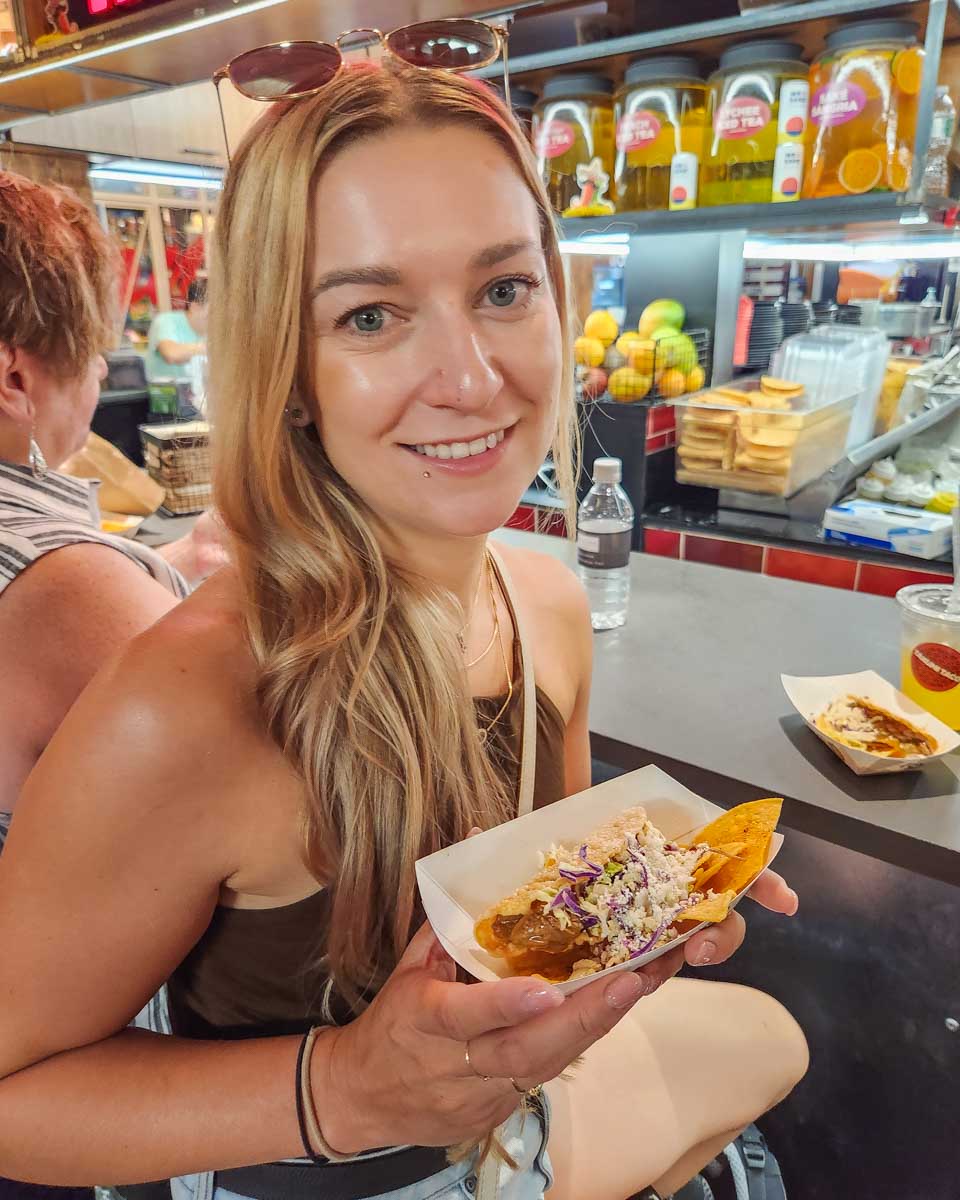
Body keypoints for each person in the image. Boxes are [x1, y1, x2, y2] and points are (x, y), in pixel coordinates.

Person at [0, 55, 807, 1200]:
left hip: (513, 1128)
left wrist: (639, 908)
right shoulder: (187, 705)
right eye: (371, 316)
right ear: (288, 366)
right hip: (313, 1171)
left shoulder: (547, 608)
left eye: (504, 290)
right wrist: (346, 1090)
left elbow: (527, 920)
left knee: (777, 1035)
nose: (470, 379)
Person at [0, 170, 227, 844]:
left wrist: (173, 562)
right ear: (14, 378)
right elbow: (252, 762)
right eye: (94, 352)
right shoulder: (63, 585)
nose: (103, 371)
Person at [145, 277, 208, 383]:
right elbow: (171, 353)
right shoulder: (166, 320)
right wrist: (209, 349)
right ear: (195, 307)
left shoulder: (217, 331)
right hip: (164, 391)